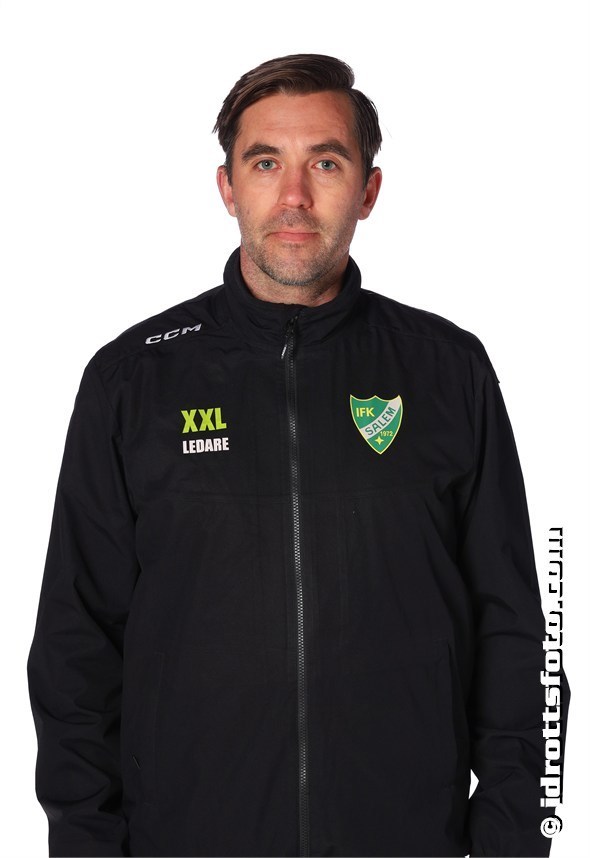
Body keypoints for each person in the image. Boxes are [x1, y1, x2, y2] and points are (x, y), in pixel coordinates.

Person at [27, 53, 570, 858]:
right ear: (226, 187)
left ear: (369, 190)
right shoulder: (133, 380)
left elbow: (521, 636)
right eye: (264, 163)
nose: (293, 196)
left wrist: (513, 842)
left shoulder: (448, 370)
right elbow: (75, 649)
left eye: (325, 163)